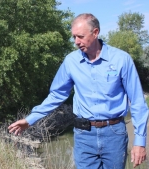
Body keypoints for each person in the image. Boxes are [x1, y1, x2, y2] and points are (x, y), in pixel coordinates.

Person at [8, 13, 148, 169]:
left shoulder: (122, 60)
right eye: (74, 37)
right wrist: (30, 120)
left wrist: (140, 142)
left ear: (95, 33)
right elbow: (56, 95)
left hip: (114, 134)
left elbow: (137, 101)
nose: (76, 42)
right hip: (83, 135)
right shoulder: (71, 62)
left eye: (80, 36)